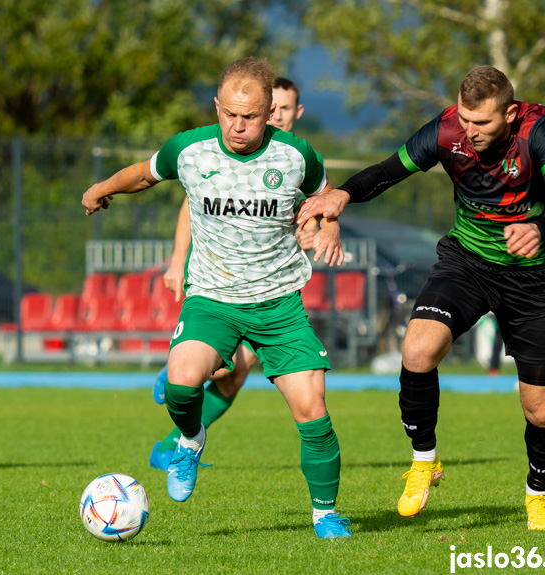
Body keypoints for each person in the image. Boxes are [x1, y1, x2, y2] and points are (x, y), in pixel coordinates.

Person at [298, 66, 545, 530]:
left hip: (532, 277)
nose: (471, 133)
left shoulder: (538, 130)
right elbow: (387, 172)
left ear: (509, 113)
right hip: (466, 263)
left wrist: (539, 227)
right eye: (466, 120)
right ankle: (424, 462)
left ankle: (538, 495)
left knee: (541, 409)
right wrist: (343, 195)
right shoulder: (447, 130)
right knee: (417, 350)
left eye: (484, 123)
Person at [83, 57, 353, 538]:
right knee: (181, 383)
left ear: (271, 110)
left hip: (278, 303)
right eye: (229, 113)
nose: (237, 125)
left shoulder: (296, 155)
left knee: (313, 410)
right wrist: (102, 188)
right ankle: (191, 440)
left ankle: (325, 514)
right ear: (217, 105)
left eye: (250, 116)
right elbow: (145, 174)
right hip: (212, 297)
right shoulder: (190, 149)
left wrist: (328, 226)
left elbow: (326, 196)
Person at [149, 77, 311, 470]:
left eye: (284, 110)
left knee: (235, 374)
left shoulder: (294, 159)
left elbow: (315, 210)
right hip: (218, 280)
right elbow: (193, 203)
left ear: (295, 112)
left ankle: (175, 442)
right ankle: (180, 391)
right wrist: (176, 259)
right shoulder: (226, 152)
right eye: (271, 110)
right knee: (226, 367)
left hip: (270, 288)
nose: (277, 116)